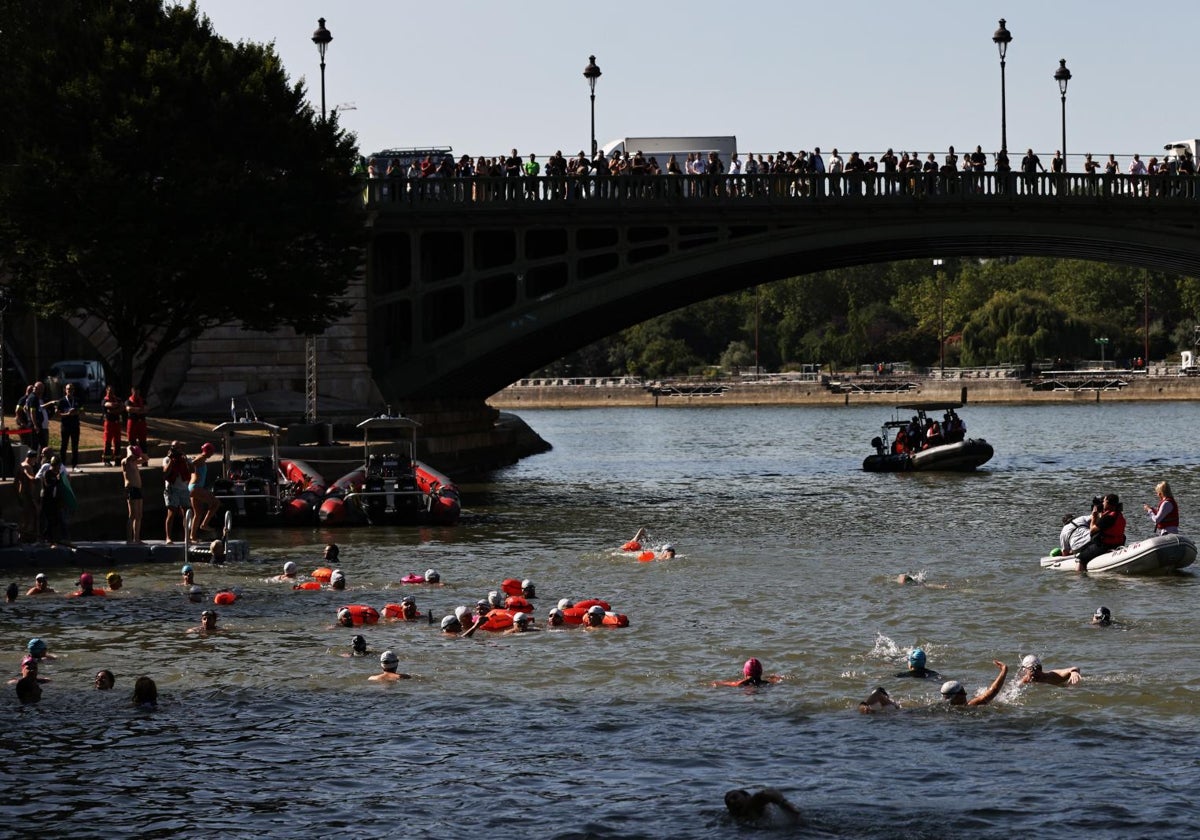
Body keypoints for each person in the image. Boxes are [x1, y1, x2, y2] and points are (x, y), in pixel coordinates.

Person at [1075, 494, 1127, 572]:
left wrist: (1093, 517)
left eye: (1104, 501)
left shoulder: (1108, 517)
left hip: (1104, 546)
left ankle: (1080, 580)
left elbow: (1092, 530)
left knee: (1080, 558)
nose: (1102, 503)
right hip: (1118, 543)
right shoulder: (1119, 515)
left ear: (1108, 503)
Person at [940, 660, 1008, 706]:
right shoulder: (970, 706)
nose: (965, 693)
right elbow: (993, 691)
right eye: (963, 691)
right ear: (959, 696)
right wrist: (1004, 670)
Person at [188, 442, 220, 541]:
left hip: (192, 487)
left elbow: (192, 464)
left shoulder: (201, 458)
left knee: (198, 513)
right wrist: (189, 462)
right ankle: (204, 524)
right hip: (196, 487)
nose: (212, 454)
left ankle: (192, 536)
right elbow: (191, 464)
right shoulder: (201, 458)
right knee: (216, 503)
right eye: (211, 452)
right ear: (207, 451)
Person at [161, 442, 191, 544]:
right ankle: (168, 537)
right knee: (171, 513)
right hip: (172, 489)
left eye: (178, 447)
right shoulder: (167, 459)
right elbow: (165, 474)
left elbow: (192, 470)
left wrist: (186, 459)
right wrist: (171, 460)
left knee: (186, 513)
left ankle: (187, 537)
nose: (176, 449)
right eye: (174, 447)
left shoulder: (184, 459)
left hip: (184, 489)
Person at [723, 788, 802, 826]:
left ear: (747, 796)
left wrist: (784, 803)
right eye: (728, 802)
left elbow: (768, 793)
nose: (732, 802)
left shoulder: (751, 806)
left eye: (735, 797)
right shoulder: (734, 818)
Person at [122, 444, 147, 543]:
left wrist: (139, 452)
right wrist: (129, 448)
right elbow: (129, 457)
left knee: (139, 515)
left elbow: (146, 458)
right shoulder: (125, 462)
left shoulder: (135, 462)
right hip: (131, 489)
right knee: (132, 515)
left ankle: (136, 538)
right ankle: (129, 539)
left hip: (138, 489)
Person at [57, 382, 83, 470]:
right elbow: (58, 414)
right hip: (65, 426)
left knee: (75, 446)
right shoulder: (61, 401)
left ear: (74, 390)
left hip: (75, 426)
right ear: (65, 390)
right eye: (68, 389)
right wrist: (68, 414)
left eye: (71, 389)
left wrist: (77, 412)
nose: (70, 391)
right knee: (64, 446)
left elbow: (83, 411)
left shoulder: (77, 400)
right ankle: (62, 465)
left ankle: (75, 465)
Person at [712, 657, 782, 687]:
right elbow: (778, 678)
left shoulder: (738, 684)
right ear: (761, 672)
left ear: (745, 673)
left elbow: (716, 683)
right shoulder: (766, 683)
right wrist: (771, 676)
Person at [100, 386, 124, 466]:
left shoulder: (118, 399)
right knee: (108, 441)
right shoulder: (104, 400)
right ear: (106, 391)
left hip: (116, 423)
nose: (111, 393)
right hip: (109, 422)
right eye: (109, 391)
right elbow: (108, 405)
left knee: (117, 441)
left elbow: (122, 407)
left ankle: (117, 460)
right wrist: (116, 408)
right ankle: (106, 460)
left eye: (112, 391)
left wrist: (114, 409)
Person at [125, 386, 148, 454]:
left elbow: (146, 409)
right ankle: (133, 459)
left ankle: (144, 460)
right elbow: (129, 409)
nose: (137, 394)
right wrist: (140, 409)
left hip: (141, 423)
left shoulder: (143, 400)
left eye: (138, 393)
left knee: (143, 441)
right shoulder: (128, 401)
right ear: (132, 392)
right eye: (135, 392)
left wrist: (134, 410)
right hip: (132, 422)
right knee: (132, 441)